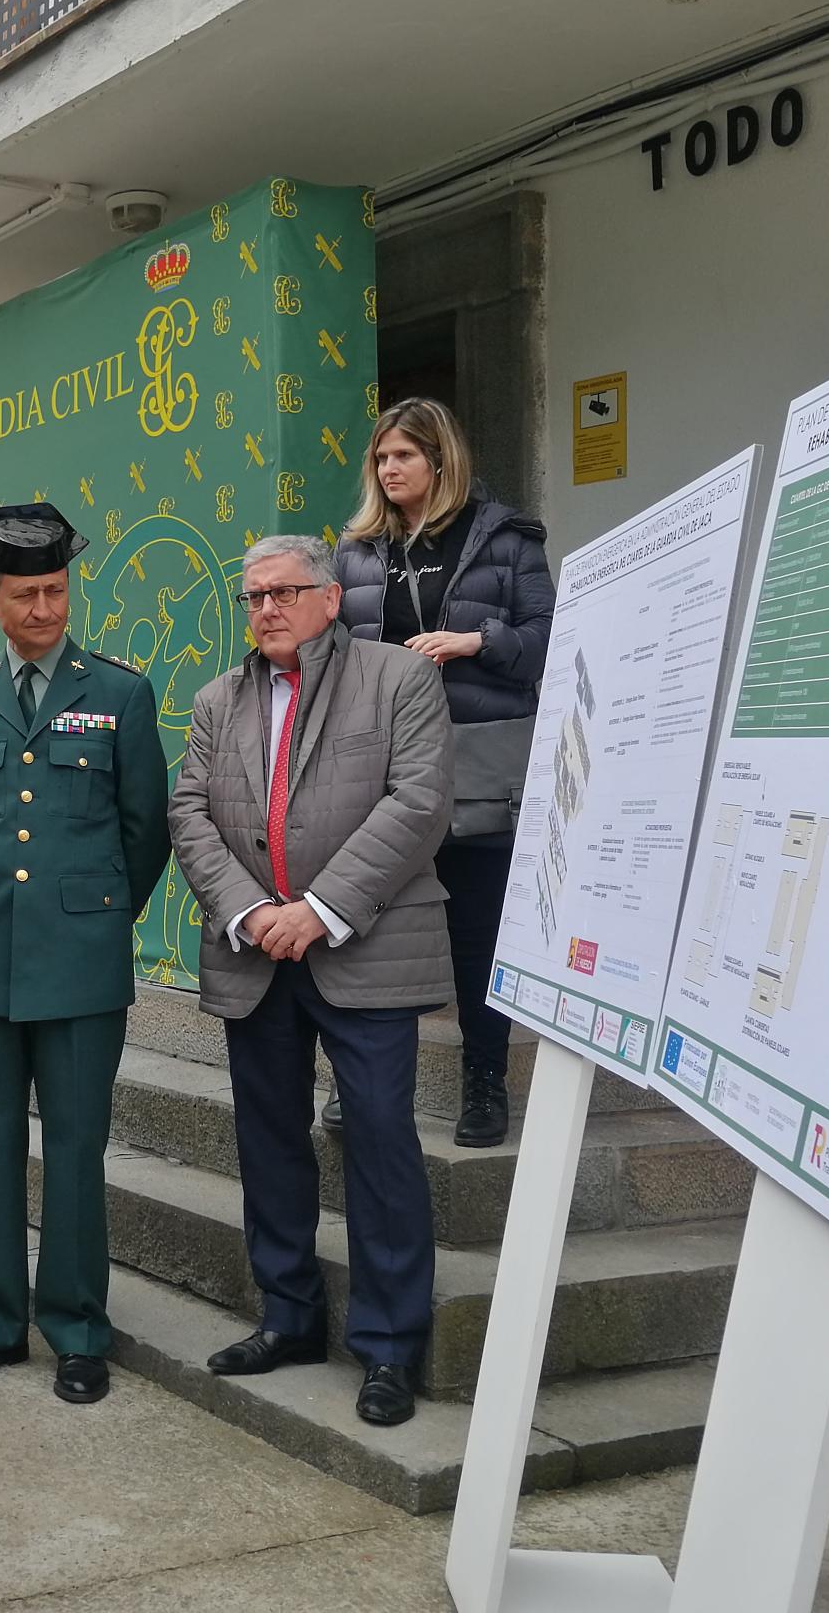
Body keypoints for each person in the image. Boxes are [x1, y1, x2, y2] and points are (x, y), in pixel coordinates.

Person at [166, 534, 456, 1427]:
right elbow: (188, 810)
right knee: (268, 1142)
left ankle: (388, 1347)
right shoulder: (219, 699)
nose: (266, 609)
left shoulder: (397, 679)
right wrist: (252, 913)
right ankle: (288, 1316)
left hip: (362, 947)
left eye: (285, 591)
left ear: (331, 598)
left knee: (379, 1142)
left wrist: (320, 908)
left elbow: (418, 802)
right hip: (257, 956)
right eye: (252, 596)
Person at [0, 503, 169, 1406]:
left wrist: (90, 913)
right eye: (25, 595)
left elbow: (145, 832)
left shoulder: (119, 693)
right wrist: (0, 900)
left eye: (57, 591)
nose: (44, 610)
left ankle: (75, 1328)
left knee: (75, 1147)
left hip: (81, 958)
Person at [331, 396, 551, 1149]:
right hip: (381, 763)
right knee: (362, 921)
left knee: (475, 931)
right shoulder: (356, 552)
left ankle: (484, 1085)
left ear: (441, 460)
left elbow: (546, 642)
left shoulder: (508, 540)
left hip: (476, 759)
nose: (389, 469)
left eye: (404, 456)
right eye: (381, 458)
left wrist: (471, 641)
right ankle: (350, 1082)